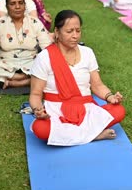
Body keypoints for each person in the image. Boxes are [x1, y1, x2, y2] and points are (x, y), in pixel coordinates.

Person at [28, 10, 126, 145]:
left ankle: (73, 136)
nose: (75, 36)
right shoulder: (44, 57)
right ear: (57, 32)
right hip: (57, 111)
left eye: (78, 31)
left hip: (85, 109)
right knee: (41, 129)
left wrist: (111, 97)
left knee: (119, 110)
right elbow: (35, 94)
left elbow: (97, 85)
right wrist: (38, 110)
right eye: (69, 31)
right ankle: (93, 135)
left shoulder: (88, 53)